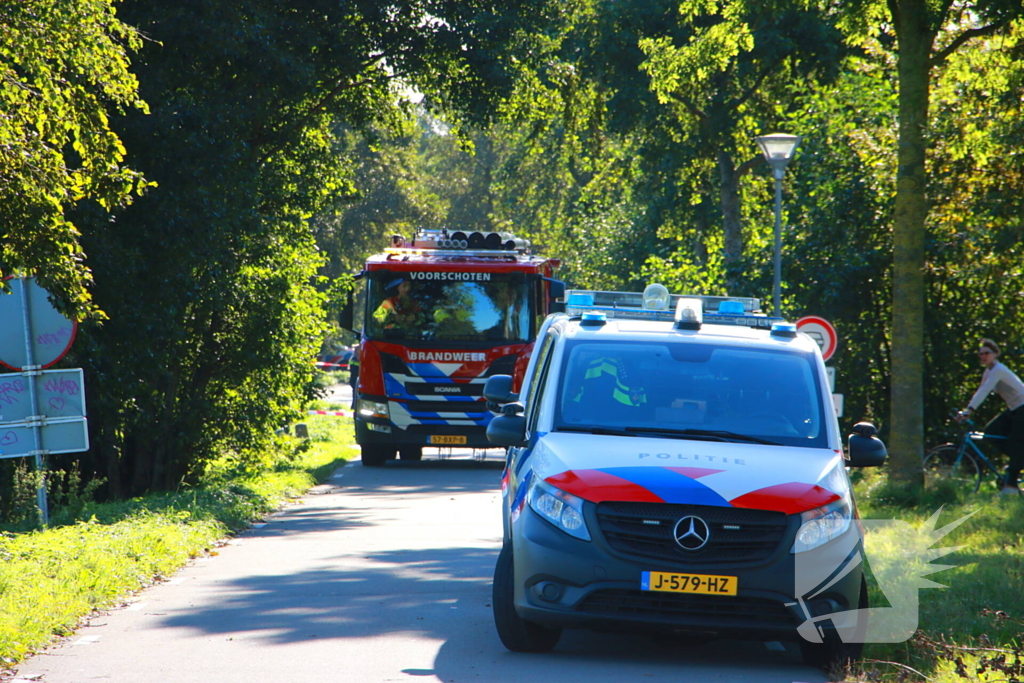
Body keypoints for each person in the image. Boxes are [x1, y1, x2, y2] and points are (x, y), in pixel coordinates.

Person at [957, 338, 1024, 495]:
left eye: (987, 353)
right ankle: (1018, 460)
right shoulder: (988, 371)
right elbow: (980, 391)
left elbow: (985, 390)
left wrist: (970, 410)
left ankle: (1011, 487)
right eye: (980, 354)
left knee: (1016, 443)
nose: (983, 356)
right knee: (991, 432)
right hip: (1014, 408)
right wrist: (967, 410)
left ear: (995, 354)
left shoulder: (998, 369)